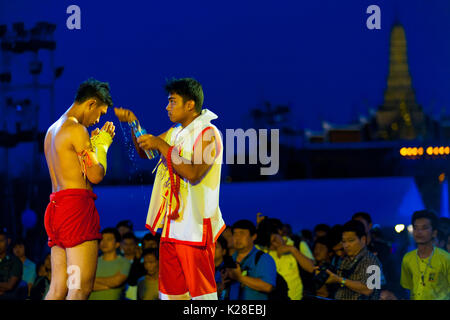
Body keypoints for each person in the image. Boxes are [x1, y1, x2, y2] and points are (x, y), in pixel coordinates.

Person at [114, 77, 225, 300]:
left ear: (190, 104)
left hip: (195, 228)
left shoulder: (209, 133)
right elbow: (148, 152)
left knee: (202, 297)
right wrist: (134, 124)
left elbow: (193, 172)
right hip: (172, 228)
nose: (167, 107)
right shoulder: (176, 132)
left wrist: (162, 145)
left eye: (173, 101)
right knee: (171, 295)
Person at [43, 78, 115, 300]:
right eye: (100, 113)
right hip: (76, 210)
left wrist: (90, 146)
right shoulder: (77, 128)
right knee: (79, 288)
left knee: (58, 288)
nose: (97, 120)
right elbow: (95, 174)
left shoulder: (52, 130)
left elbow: (76, 165)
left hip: (57, 209)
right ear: (91, 103)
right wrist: (102, 146)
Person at [256, 218, 315, 300]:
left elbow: (312, 268)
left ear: (280, 232)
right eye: (269, 244)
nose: (273, 245)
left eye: (274, 240)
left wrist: (293, 250)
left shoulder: (298, 245)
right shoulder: (260, 249)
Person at [324, 220, 384, 300]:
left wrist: (339, 280)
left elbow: (369, 289)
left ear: (363, 239)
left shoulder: (372, 260)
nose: (346, 245)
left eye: (351, 240)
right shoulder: (345, 259)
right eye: (344, 241)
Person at [400, 210, 450, 300]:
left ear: (434, 233)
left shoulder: (446, 258)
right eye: (415, 228)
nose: (419, 232)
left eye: (424, 228)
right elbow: (407, 287)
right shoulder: (407, 258)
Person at [225, 220, 277, 300]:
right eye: (235, 234)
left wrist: (240, 277)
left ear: (253, 236)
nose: (237, 237)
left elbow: (268, 286)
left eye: (242, 233)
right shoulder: (230, 259)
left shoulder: (263, 258)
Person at [352, 212, 399, 299]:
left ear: (370, 225)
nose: (358, 228)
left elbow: (393, 273)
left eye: (361, 224)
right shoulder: (351, 252)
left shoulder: (383, 249)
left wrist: (392, 292)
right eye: (355, 225)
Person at [89, 228, 131, 300]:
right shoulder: (92, 261)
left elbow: (116, 281)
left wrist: (92, 280)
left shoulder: (125, 262)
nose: (104, 243)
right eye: (102, 239)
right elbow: (85, 285)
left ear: (117, 244)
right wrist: (109, 285)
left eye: (109, 239)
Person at [0, 230, 27, 300]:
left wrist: (5, 287)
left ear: (8, 241)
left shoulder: (15, 261)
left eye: (1, 241)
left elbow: (9, 286)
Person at [121, 232, 145, 300]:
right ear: (121, 245)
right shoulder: (117, 261)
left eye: (131, 244)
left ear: (136, 245)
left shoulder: (143, 262)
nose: (128, 247)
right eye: (125, 244)